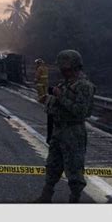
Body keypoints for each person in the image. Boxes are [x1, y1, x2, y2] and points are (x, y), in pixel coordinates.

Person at [35, 50, 95, 203]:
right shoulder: (65, 84)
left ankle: (74, 200)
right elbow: (56, 104)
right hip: (59, 129)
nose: (62, 71)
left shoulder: (84, 86)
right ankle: (45, 196)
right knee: (52, 165)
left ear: (73, 66)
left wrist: (60, 97)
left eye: (65, 68)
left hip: (73, 131)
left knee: (74, 169)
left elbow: (81, 112)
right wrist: (49, 99)